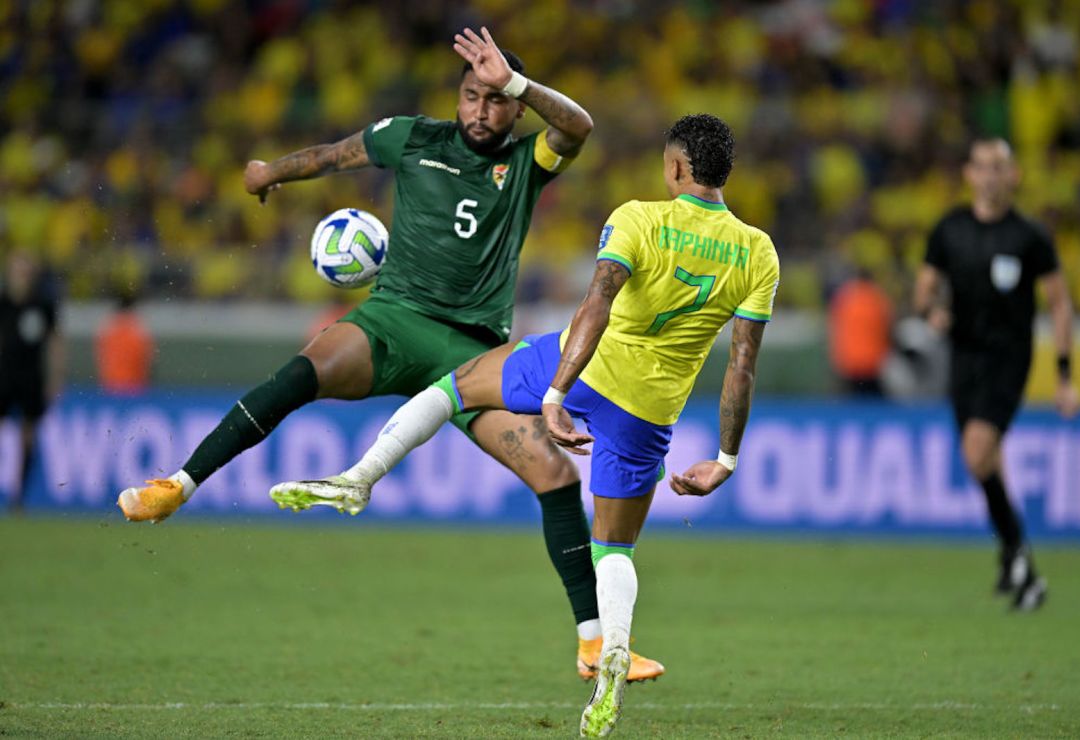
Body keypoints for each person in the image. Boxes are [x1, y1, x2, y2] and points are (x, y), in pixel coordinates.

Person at [116, 27, 664, 682]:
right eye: (472, 96)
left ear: (516, 108)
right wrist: (271, 171)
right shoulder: (413, 137)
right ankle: (176, 486)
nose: (481, 111)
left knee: (554, 475)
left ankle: (593, 644)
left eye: (495, 101)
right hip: (391, 320)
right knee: (303, 372)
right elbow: (332, 154)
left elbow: (578, 126)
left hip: (469, 354)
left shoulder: (525, 162)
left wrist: (515, 80)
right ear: (456, 98)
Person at [270, 114, 779, 738]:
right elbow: (742, 366)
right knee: (614, 548)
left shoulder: (641, 217)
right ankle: (612, 653)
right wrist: (726, 460)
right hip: (651, 411)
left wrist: (556, 392)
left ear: (675, 167)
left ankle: (359, 477)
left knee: (452, 387)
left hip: (582, 369)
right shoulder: (758, 251)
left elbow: (597, 301)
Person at [914, 138, 1080, 612]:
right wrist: (933, 314)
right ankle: (1013, 556)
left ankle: (1019, 557)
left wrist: (1065, 376)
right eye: (982, 167)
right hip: (963, 358)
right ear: (969, 174)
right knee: (981, 463)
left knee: (977, 451)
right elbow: (923, 292)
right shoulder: (950, 229)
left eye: (999, 167)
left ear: (1014, 176)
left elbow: (1060, 303)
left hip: (1009, 359)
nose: (990, 175)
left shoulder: (1029, 236)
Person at [0, 252, 64, 512]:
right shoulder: (2, 303)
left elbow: (55, 342)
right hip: (3, 376)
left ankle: (19, 495)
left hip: (31, 379)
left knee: (28, 436)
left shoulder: (43, 305)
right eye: (18, 270)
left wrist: (56, 377)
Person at [827, 268, 893, 396]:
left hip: (849, 362)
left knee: (853, 402)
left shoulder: (844, 299)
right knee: (873, 403)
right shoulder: (878, 299)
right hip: (873, 362)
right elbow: (887, 328)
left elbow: (835, 329)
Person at [96, 292, 154, 394]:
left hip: (110, 386)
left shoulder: (107, 329)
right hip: (134, 386)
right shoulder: (138, 330)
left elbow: (101, 357)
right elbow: (146, 359)